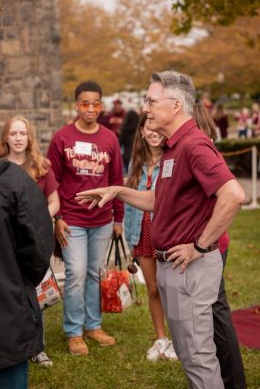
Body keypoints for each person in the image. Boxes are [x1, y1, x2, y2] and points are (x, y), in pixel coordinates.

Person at [76, 70, 245, 388]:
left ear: (176, 105)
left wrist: (201, 245)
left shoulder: (195, 146)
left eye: (151, 101)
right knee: (189, 354)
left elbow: (234, 195)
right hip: (172, 264)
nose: (146, 108)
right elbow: (159, 200)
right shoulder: (173, 149)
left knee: (198, 356)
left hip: (189, 266)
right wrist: (118, 191)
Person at [47, 80, 124, 356]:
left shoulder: (110, 138)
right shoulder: (61, 138)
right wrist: (57, 218)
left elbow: (116, 180)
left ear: (101, 105)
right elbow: (50, 181)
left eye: (95, 103)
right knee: (76, 273)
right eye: (84, 103)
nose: (90, 108)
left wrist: (118, 219)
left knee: (93, 273)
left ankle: (93, 325)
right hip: (71, 220)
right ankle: (73, 331)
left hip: (102, 220)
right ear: (76, 105)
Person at [0, 115, 60, 367]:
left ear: (29, 137)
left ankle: (37, 346)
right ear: (6, 138)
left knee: (36, 294)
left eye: (23, 133)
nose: (19, 138)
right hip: (5, 242)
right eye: (14, 134)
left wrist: (38, 220)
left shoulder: (41, 166)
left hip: (33, 239)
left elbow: (54, 201)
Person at [193, 104, 247, 389]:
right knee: (213, 312)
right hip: (210, 243)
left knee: (216, 312)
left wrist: (202, 244)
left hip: (211, 245)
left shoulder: (204, 154)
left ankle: (231, 381)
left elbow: (234, 196)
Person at [0, 155, 54, 389]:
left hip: (5, 314)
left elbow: (37, 246)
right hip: (6, 311)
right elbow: (38, 248)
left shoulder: (11, 179)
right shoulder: (12, 179)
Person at [125, 114, 177, 361]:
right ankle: (161, 340)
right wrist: (129, 240)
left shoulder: (174, 158)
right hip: (141, 234)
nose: (154, 132)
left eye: (158, 127)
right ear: (142, 132)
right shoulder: (136, 162)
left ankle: (179, 341)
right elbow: (128, 203)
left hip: (167, 234)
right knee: (154, 289)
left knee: (172, 289)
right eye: (149, 128)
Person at [119, 108, 140, 173]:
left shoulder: (125, 130)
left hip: (127, 154)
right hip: (138, 154)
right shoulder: (140, 130)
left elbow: (119, 143)